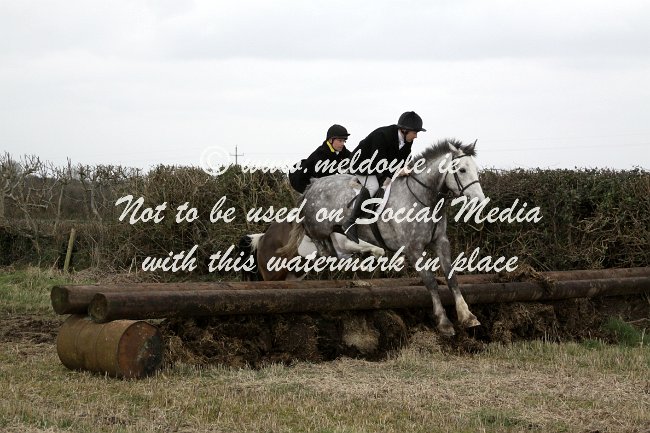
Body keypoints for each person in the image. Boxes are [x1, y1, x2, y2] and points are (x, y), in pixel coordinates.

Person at [341, 111, 426, 242]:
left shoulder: (407, 140)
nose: (416, 136)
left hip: (379, 166)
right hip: (362, 164)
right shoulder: (382, 135)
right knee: (373, 186)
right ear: (404, 130)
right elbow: (378, 163)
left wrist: (405, 169)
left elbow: (402, 160)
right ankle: (350, 222)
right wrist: (397, 172)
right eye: (414, 133)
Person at [289, 124, 352, 193]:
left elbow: (353, 158)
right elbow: (325, 178)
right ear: (331, 140)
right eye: (340, 141)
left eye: (344, 141)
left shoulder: (342, 150)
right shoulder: (321, 154)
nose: (342, 144)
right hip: (302, 181)